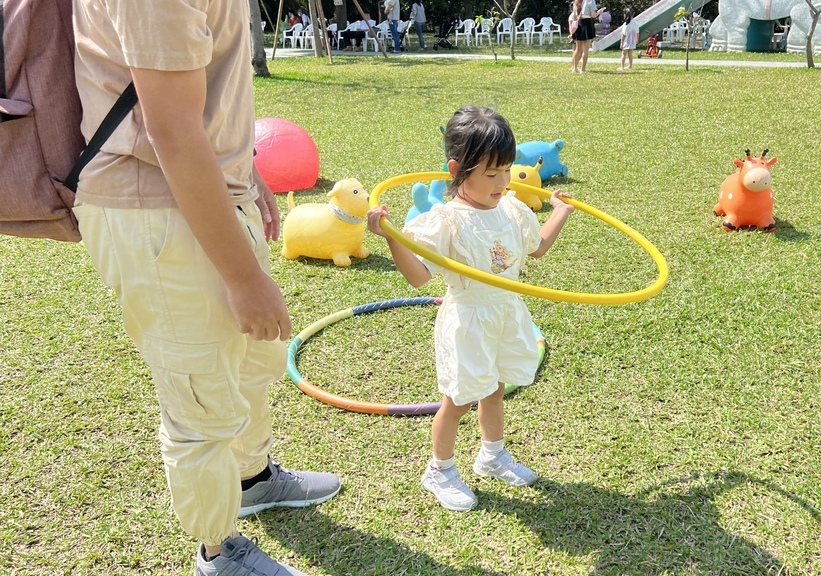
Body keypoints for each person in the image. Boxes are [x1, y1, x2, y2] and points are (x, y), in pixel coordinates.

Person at [71, 1, 341, 574]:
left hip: (210, 191)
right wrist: (243, 277)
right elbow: (170, 131)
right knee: (199, 399)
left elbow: (199, 95)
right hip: (156, 207)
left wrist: (244, 170)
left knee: (251, 362)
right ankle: (218, 554)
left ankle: (252, 481)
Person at [366, 106, 575, 512]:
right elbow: (418, 277)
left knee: (495, 388)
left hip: (505, 314)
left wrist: (561, 212)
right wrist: (391, 237)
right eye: (491, 173)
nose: (503, 182)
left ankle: (492, 456)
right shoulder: (447, 221)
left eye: (506, 170)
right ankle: (439, 470)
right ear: (457, 170)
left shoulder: (511, 208)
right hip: (469, 320)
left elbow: (538, 248)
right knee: (458, 400)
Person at [571, 0, 606, 72]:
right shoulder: (591, 1)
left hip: (579, 24)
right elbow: (593, 15)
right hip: (587, 24)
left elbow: (574, 16)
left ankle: (574, 68)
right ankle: (583, 69)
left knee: (577, 49)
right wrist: (599, 12)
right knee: (585, 49)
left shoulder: (577, 1)